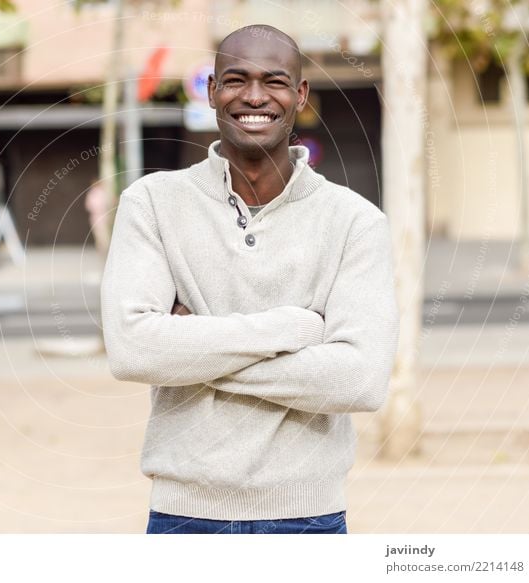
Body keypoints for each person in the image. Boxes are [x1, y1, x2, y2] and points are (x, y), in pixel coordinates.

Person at [100, 24, 399, 534]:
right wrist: (289, 329)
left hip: (308, 519)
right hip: (183, 518)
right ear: (212, 90)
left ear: (300, 95)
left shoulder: (355, 221)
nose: (254, 96)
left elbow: (362, 379)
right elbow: (133, 350)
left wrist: (194, 351)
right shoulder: (152, 203)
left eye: (275, 81)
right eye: (236, 80)